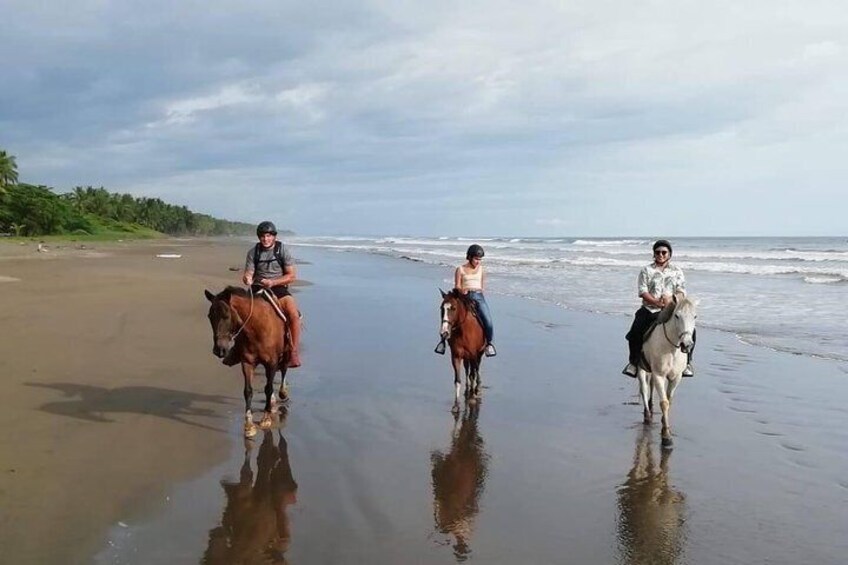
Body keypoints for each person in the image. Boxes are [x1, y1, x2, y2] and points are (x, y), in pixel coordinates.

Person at [622, 239, 695, 378]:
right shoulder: (646, 270)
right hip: (650, 309)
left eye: (664, 252)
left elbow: (681, 291)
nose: (661, 255)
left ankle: (688, 363)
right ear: (653, 254)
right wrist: (656, 302)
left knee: (691, 331)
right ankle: (633, 363)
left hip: (672, 310)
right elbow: (642, 291)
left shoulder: (677, 271)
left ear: (669, 254)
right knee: (634, 332)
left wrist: (672, 300)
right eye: (658, 252)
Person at [242, 221, 302, 368]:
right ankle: (238, 350)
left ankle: (293, 352)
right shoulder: (253, 252)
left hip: (279, 287)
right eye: (262, 236)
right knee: (241, 314)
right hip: (258, 288)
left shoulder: (282, 250)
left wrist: (273, 282)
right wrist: (247, 278)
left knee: (293, 315)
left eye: (268, 236)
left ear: (274, 236)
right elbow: (249, 272)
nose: (265, 239)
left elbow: (291, 276)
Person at [435, 244, 497, 357]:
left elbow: (483, 288)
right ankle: (442, 342)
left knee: (488, 321)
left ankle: (489, 344)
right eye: (476, 259)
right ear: (469, 257)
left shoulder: (482, 270)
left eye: (480, 259)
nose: (478, 261)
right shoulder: (460, 269)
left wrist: (475, 290)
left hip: (478, 297)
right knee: (448, 316)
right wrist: (463, 289)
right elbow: (457, 285)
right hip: (464, 296)